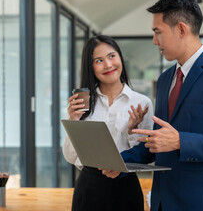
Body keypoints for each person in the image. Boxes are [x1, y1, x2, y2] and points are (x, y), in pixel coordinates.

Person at [102, 0, 203, 211]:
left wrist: (181, 141)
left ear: (181, 29)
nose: (155, 41)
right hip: (163, 202)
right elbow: (157, 143)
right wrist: (119, 161)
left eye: (158, 33)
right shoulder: (165, 80)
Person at [62, 35, 154, 211]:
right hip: (89, 187)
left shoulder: (142, 103)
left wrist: (132, 131)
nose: (108, 65)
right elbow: (71, 157)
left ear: (120, 57)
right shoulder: (83, 104)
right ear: (91, 67)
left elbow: (145, 156)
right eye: (99, 60)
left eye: (112, 56)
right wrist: (73, 121)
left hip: (125, 188)